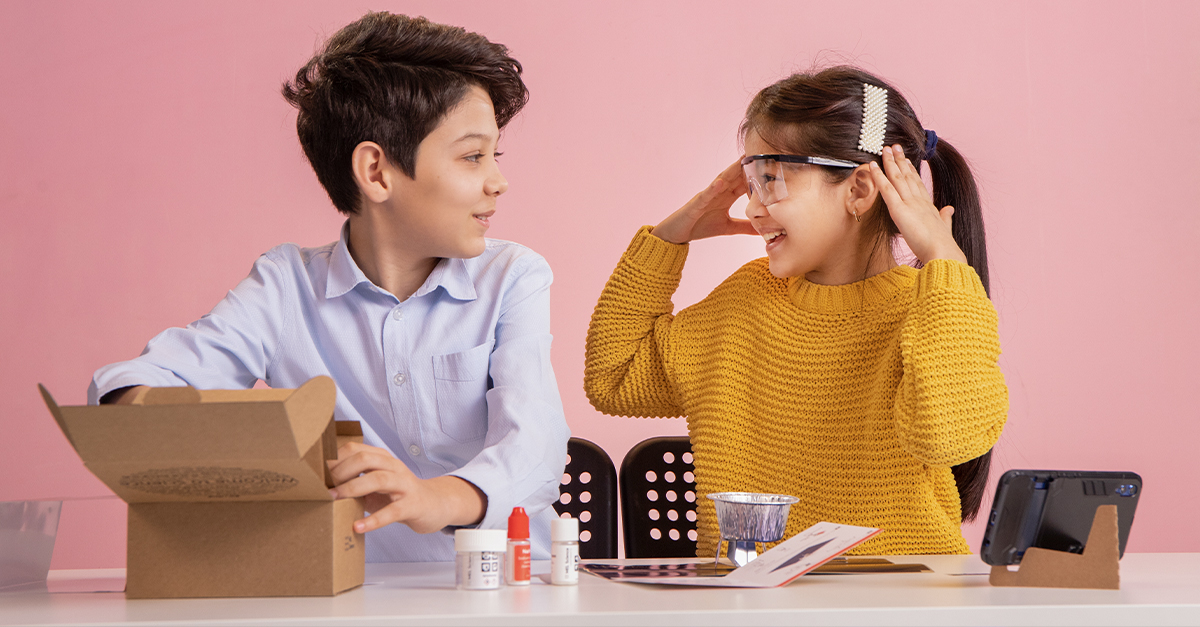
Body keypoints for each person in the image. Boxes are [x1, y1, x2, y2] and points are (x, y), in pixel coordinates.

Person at [88, 12, 569, 562]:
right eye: (472, 156)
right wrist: (183, 420)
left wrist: (436, 499)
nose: (498, 181)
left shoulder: (512, 276)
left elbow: (535, 440)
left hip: (511, 589)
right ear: (377, 171)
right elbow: (136, 382)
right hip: (355, 597)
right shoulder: (284, 286)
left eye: (495, 155)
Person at [584, 66, 1008, 556]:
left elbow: (947, 437)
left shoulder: (933, 306)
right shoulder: (744, 303)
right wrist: (668, 239)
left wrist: (946, 262)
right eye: (750, 182)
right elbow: (613, 379)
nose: (751, 208)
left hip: (901, 602)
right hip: (756, 604)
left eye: (771, 180)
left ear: (858, 191)